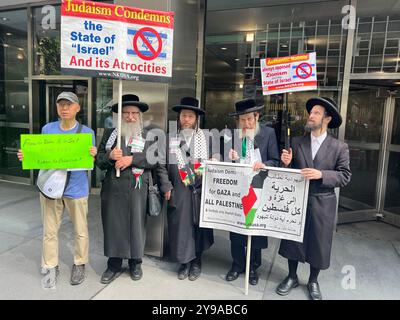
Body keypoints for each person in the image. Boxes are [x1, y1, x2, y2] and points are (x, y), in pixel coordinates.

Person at [17, 91, 97, 288]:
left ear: (78, 108)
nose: (64, 108)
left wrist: (92, 155)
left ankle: (80, 263)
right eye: (61, 104)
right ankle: (50, 264)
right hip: (51, 188)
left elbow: (89, 162)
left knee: (80, 230)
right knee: (50, 230)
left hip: (76, 188)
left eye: (69, 104)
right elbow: (41, 156)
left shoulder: (87, 133)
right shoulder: (48, 129)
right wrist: (26, 155)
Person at [276, 97, 351, 300]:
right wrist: (287, 163)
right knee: (293, 240)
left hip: (323, 202)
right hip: (297, 200)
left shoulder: (339, 147)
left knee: (319, 243)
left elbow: (345, 176)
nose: (311, 115)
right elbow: (289, 172)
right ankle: (291, 276)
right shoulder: (297, 142)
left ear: (327, 119)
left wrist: (322, 174)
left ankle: (312, 280)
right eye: (311, 112)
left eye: (316, 113)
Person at [95, 94, 171, 284]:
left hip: (138, 188)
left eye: (133, 113)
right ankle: (113, 264)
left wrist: (132, 159)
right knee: (114, 226)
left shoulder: (150, 134)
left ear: (139, 116)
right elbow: (99, 162)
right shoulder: (110, 134)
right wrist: (110, 156)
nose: (130, 117)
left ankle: (135, 263)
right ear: (120, 116)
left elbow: (155, 159)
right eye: (126, 113)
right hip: (114, 188)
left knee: (136, 226)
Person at [225, 98, 280, 285]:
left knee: (255, 229)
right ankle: (237, 264)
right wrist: (230, 157)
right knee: (237, 228)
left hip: (258, 188)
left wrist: (264, 164)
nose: (246, 123)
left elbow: (275, 160)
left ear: (257, 116)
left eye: (249, 119)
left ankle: (253, 266)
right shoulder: (232, 135)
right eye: (242, 120)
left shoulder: (269, 133)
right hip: (237, 189)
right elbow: (223, 162)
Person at [167, 97, 214, 281]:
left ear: (196, 119)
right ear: (179, 118)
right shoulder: (170, 137)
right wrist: (166, 186)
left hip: (200, 188)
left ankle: (197, 262)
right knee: (181, 228)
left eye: (190, 116)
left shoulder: (206, 138)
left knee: (198, 227)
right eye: (184, 116)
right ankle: (184, 262)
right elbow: (162, 165)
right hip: (179, 190)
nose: (186, 119)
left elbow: (216, 159)